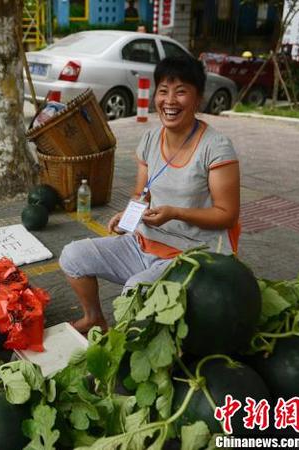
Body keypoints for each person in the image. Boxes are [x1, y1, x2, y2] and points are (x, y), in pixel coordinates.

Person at [59, 56, 241, 334]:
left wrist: (175, 213)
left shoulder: (216, 147)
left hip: (191, 255)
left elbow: (227, 215)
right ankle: (94, 317)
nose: (170, 101)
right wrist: (127, 218)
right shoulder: (150, 140)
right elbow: (140, 194)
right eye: (163, 91)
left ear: (198, 99)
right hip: (144, 243)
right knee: (73, 256)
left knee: (135, 289)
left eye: (181, 91)